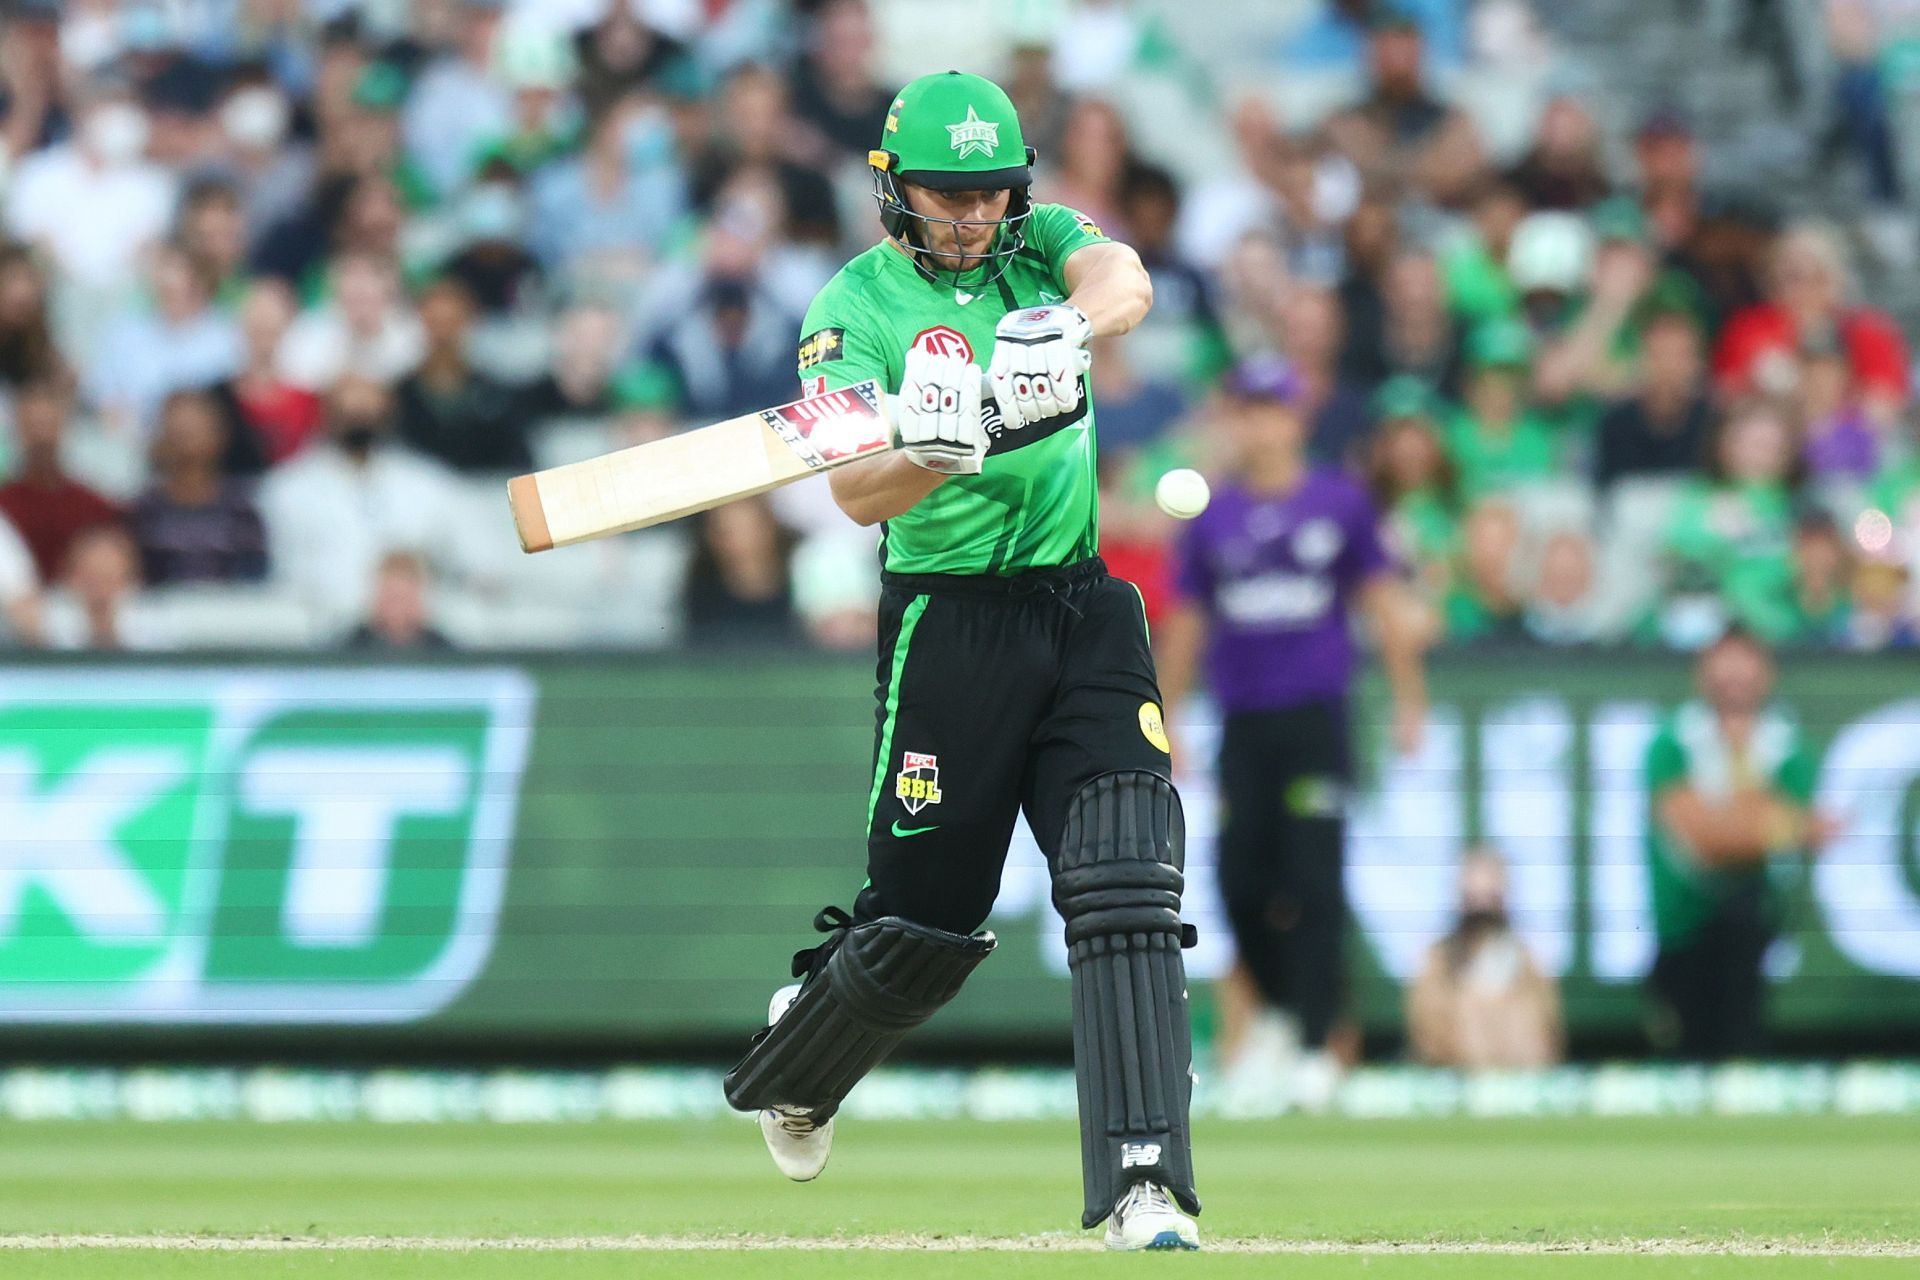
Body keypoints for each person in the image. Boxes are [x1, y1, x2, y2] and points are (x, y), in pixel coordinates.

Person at [721, 71, 1202, 1251]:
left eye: (991, 194)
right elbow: (848, 488)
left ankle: (1145, 1181)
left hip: (1081, 600)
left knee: (1128, 870)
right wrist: (934, 449)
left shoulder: (1040, 245)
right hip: (948, 620)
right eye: (947, 196)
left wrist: (1065, 325)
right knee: (924, 921)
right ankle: (806, 1054)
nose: (973, 218)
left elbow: (1124, 275)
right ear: (894, 190)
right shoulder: (854, 308)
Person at [1156, 357, 1428, 1111]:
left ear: (1295, 418)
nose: (1261, 424)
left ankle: (1315, 1042)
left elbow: (1382, 600)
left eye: (1272, 409)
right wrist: (1166, 716)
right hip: (1244, 720)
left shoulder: (1339, 503)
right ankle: (1277, 1015)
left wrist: (1410, 701)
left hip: (1316, 716)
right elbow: (1185, 623)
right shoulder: (1213, 517)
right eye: (1247, 409)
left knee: (1313, 880)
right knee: (1240, 878)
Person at [1645, 626, 1834, 1060]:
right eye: (1723, 662)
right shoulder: (1672, 741)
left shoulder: (1790, 747)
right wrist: (1768, 821)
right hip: (1682, 923)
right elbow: (1700, 832)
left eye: (1744, 662)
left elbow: (1728, 828)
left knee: (1744, 1034)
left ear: (1765, 674)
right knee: (1688, 1044)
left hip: (1760, 923)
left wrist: (1727, 819)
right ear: (1702, 674)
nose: (1733, 676)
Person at [1406, 847, 1563, 1069]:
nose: (1482, 908)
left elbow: (1546, 1041)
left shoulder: (1530, 966)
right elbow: (1428, 1039)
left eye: (1490, 897)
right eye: (1473, 898)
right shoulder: (1435, 964)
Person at [127, 391, 269, 587]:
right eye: (178, 431)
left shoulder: (240, 510)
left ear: (219, 434)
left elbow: (253, 581)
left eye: (194, 429)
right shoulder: (144, 510)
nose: (186, 439)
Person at [0, 380, 122, 584]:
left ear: (63, 427)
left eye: (47, 425)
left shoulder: (93, 506)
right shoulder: (4, 506)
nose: (41, 436)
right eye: (31, 426)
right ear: (18, 430)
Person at [344, 549, 453, 650]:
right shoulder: (344, 652)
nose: (397, 610)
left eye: (405, 599)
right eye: (391, 599)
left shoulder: (448, 656)